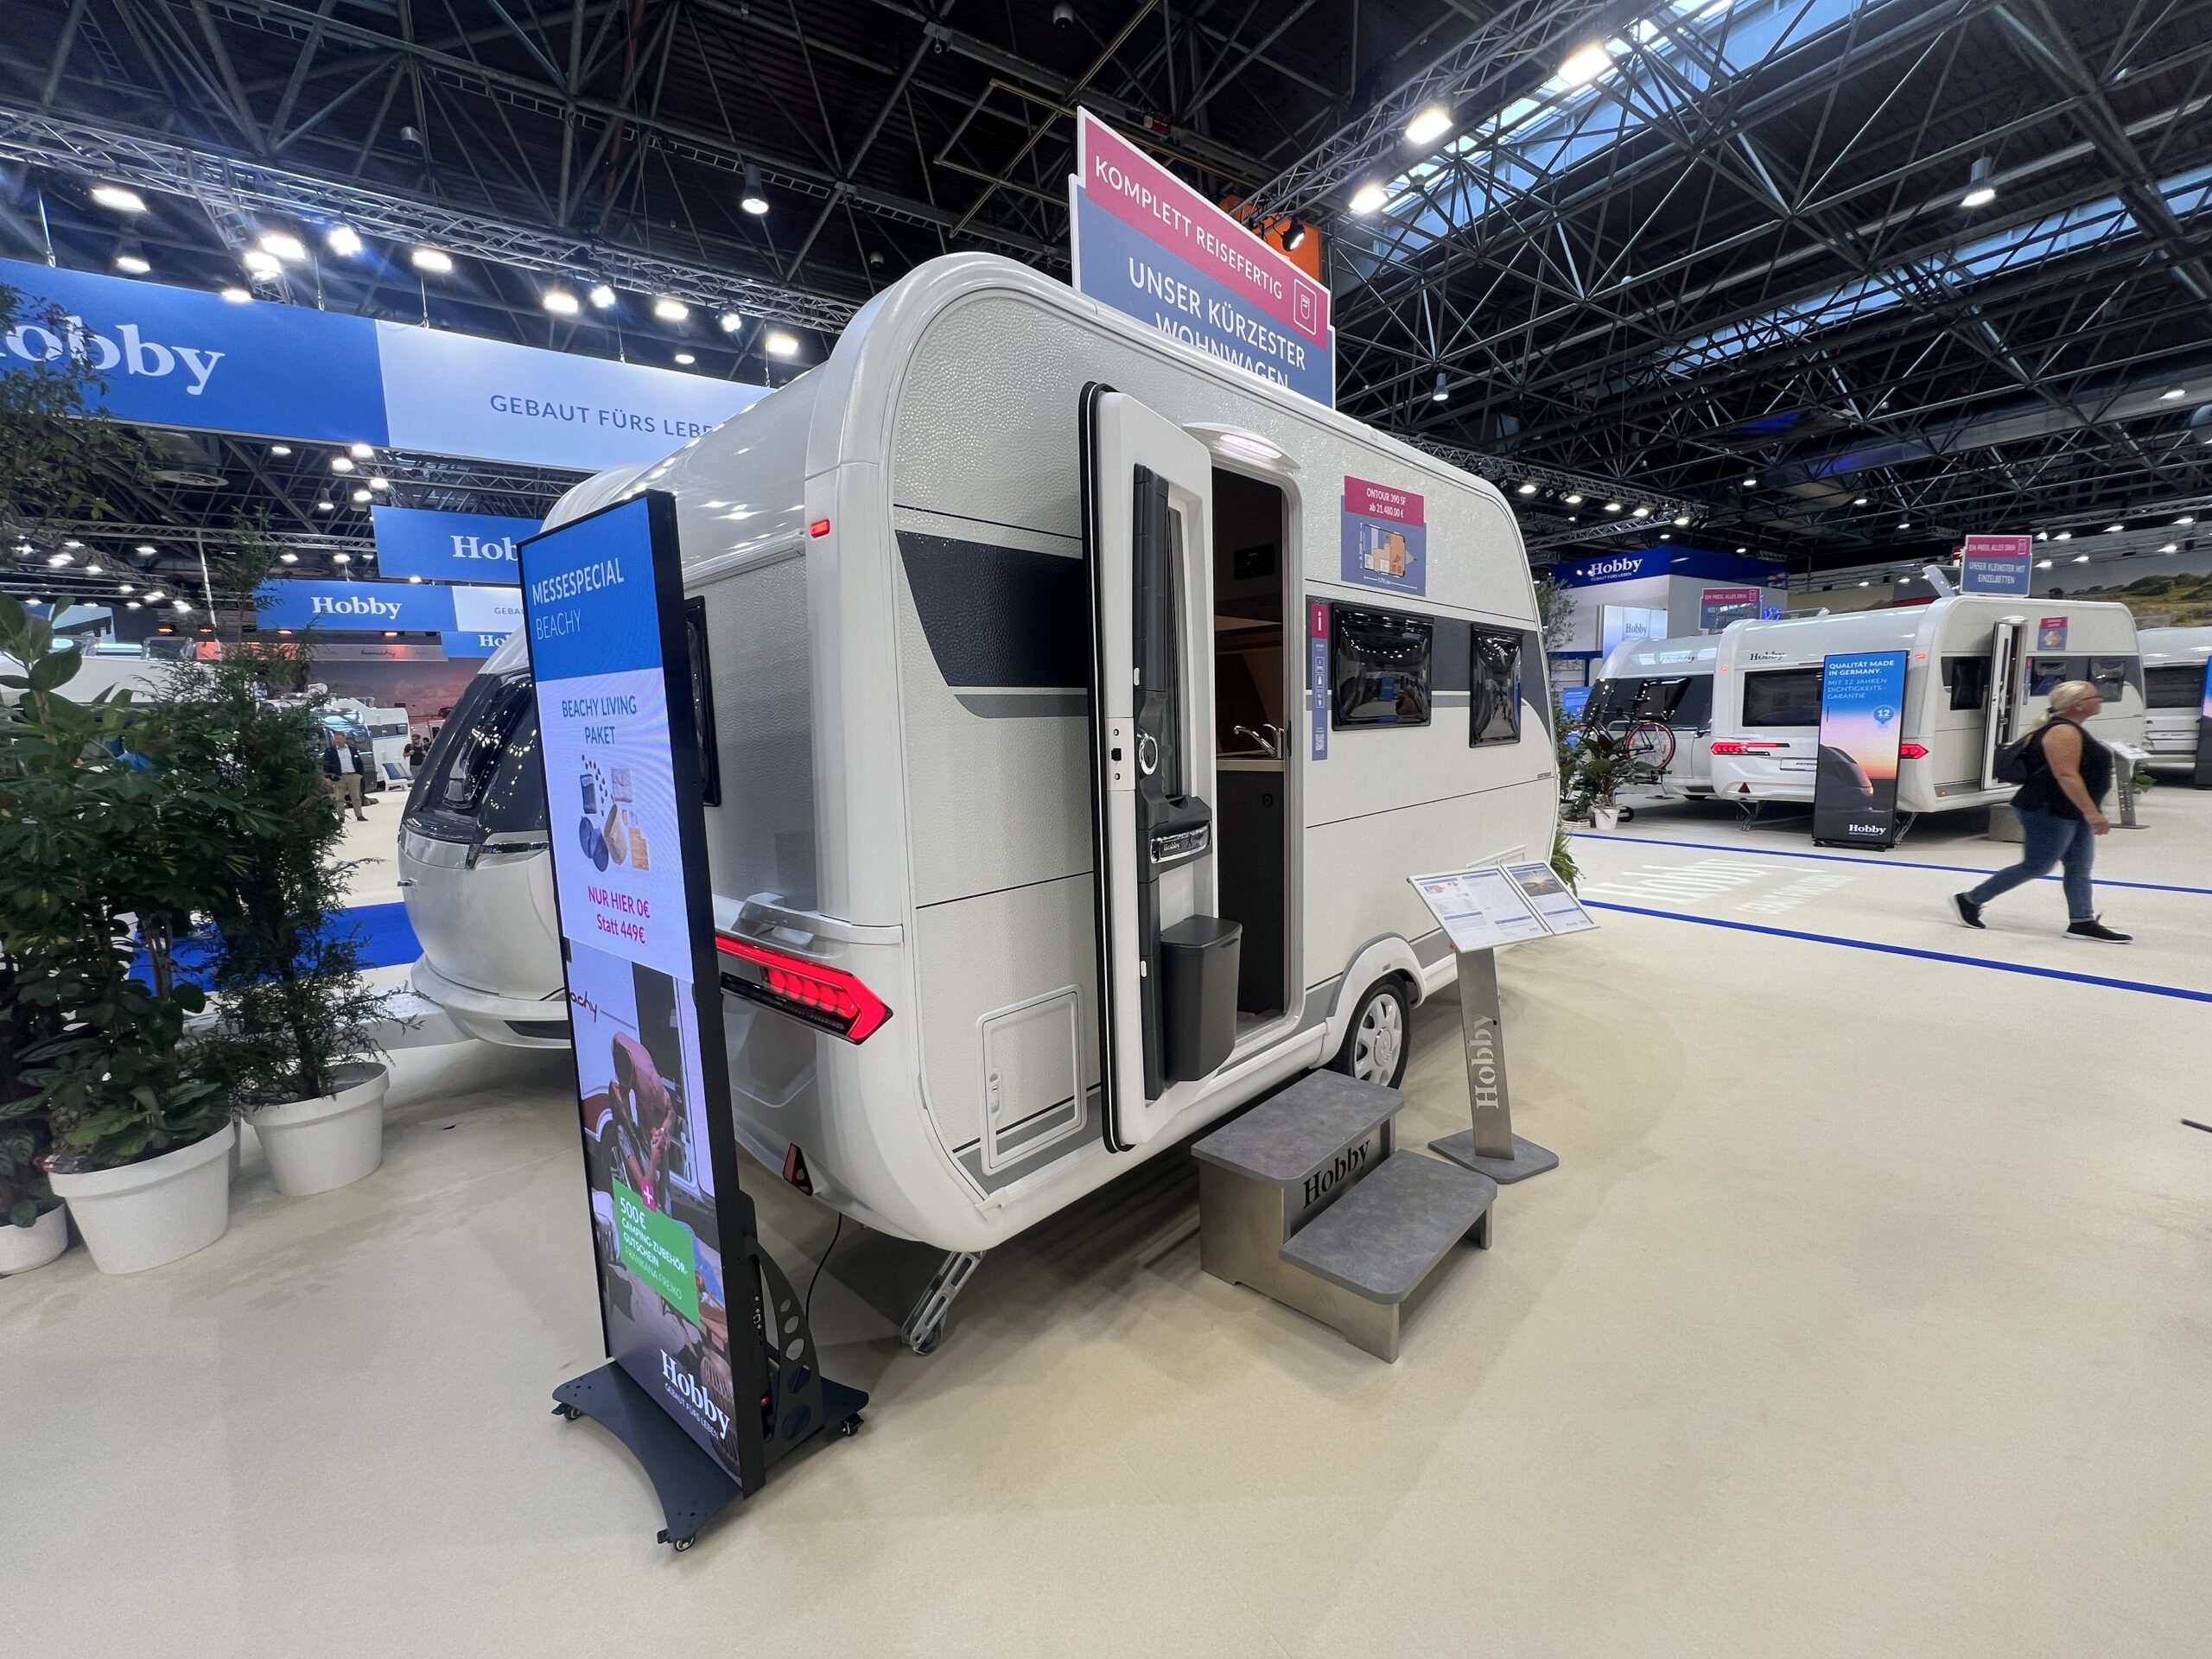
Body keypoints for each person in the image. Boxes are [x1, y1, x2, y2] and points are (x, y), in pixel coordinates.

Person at [1953, 680, 2130, 942]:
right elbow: (2066, 775)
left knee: (2079, 866)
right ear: (2077, 704)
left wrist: (2088, 810)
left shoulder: (2072, 729)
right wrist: (2092, 813)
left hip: (2071, 809)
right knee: (2037, 865)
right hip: (2049, 809)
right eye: (2095, 696)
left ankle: (2082, 921)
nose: (2100, 699)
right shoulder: (2062, 731)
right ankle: (1970, 899)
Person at [321, 729, 369, 822]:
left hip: (353, 775)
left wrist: (360, 774)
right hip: (339, 777)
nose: (337, 741)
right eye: (336, 739)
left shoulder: (352, 749)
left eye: (339, 739)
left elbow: (359, 762)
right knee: (339, 798)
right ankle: (341, 817)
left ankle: (359, 815)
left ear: (344, 739)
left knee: (356, 797)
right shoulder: (331, 751)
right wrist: (328, 777)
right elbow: (326, 765)